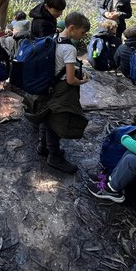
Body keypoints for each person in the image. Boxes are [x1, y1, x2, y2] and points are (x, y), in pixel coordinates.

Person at [24, 12, 91, 174]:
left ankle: (43, 146)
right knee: (55, 122)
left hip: (46, 85)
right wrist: (82, 81)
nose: (82, 36)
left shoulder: (53, 38)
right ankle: (54, 156)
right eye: (82, 32)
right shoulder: (69, 48)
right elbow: (70, 80)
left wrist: (71, 69)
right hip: (60, 90)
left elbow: (57, 63)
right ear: (72, 28)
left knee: (46, 117)